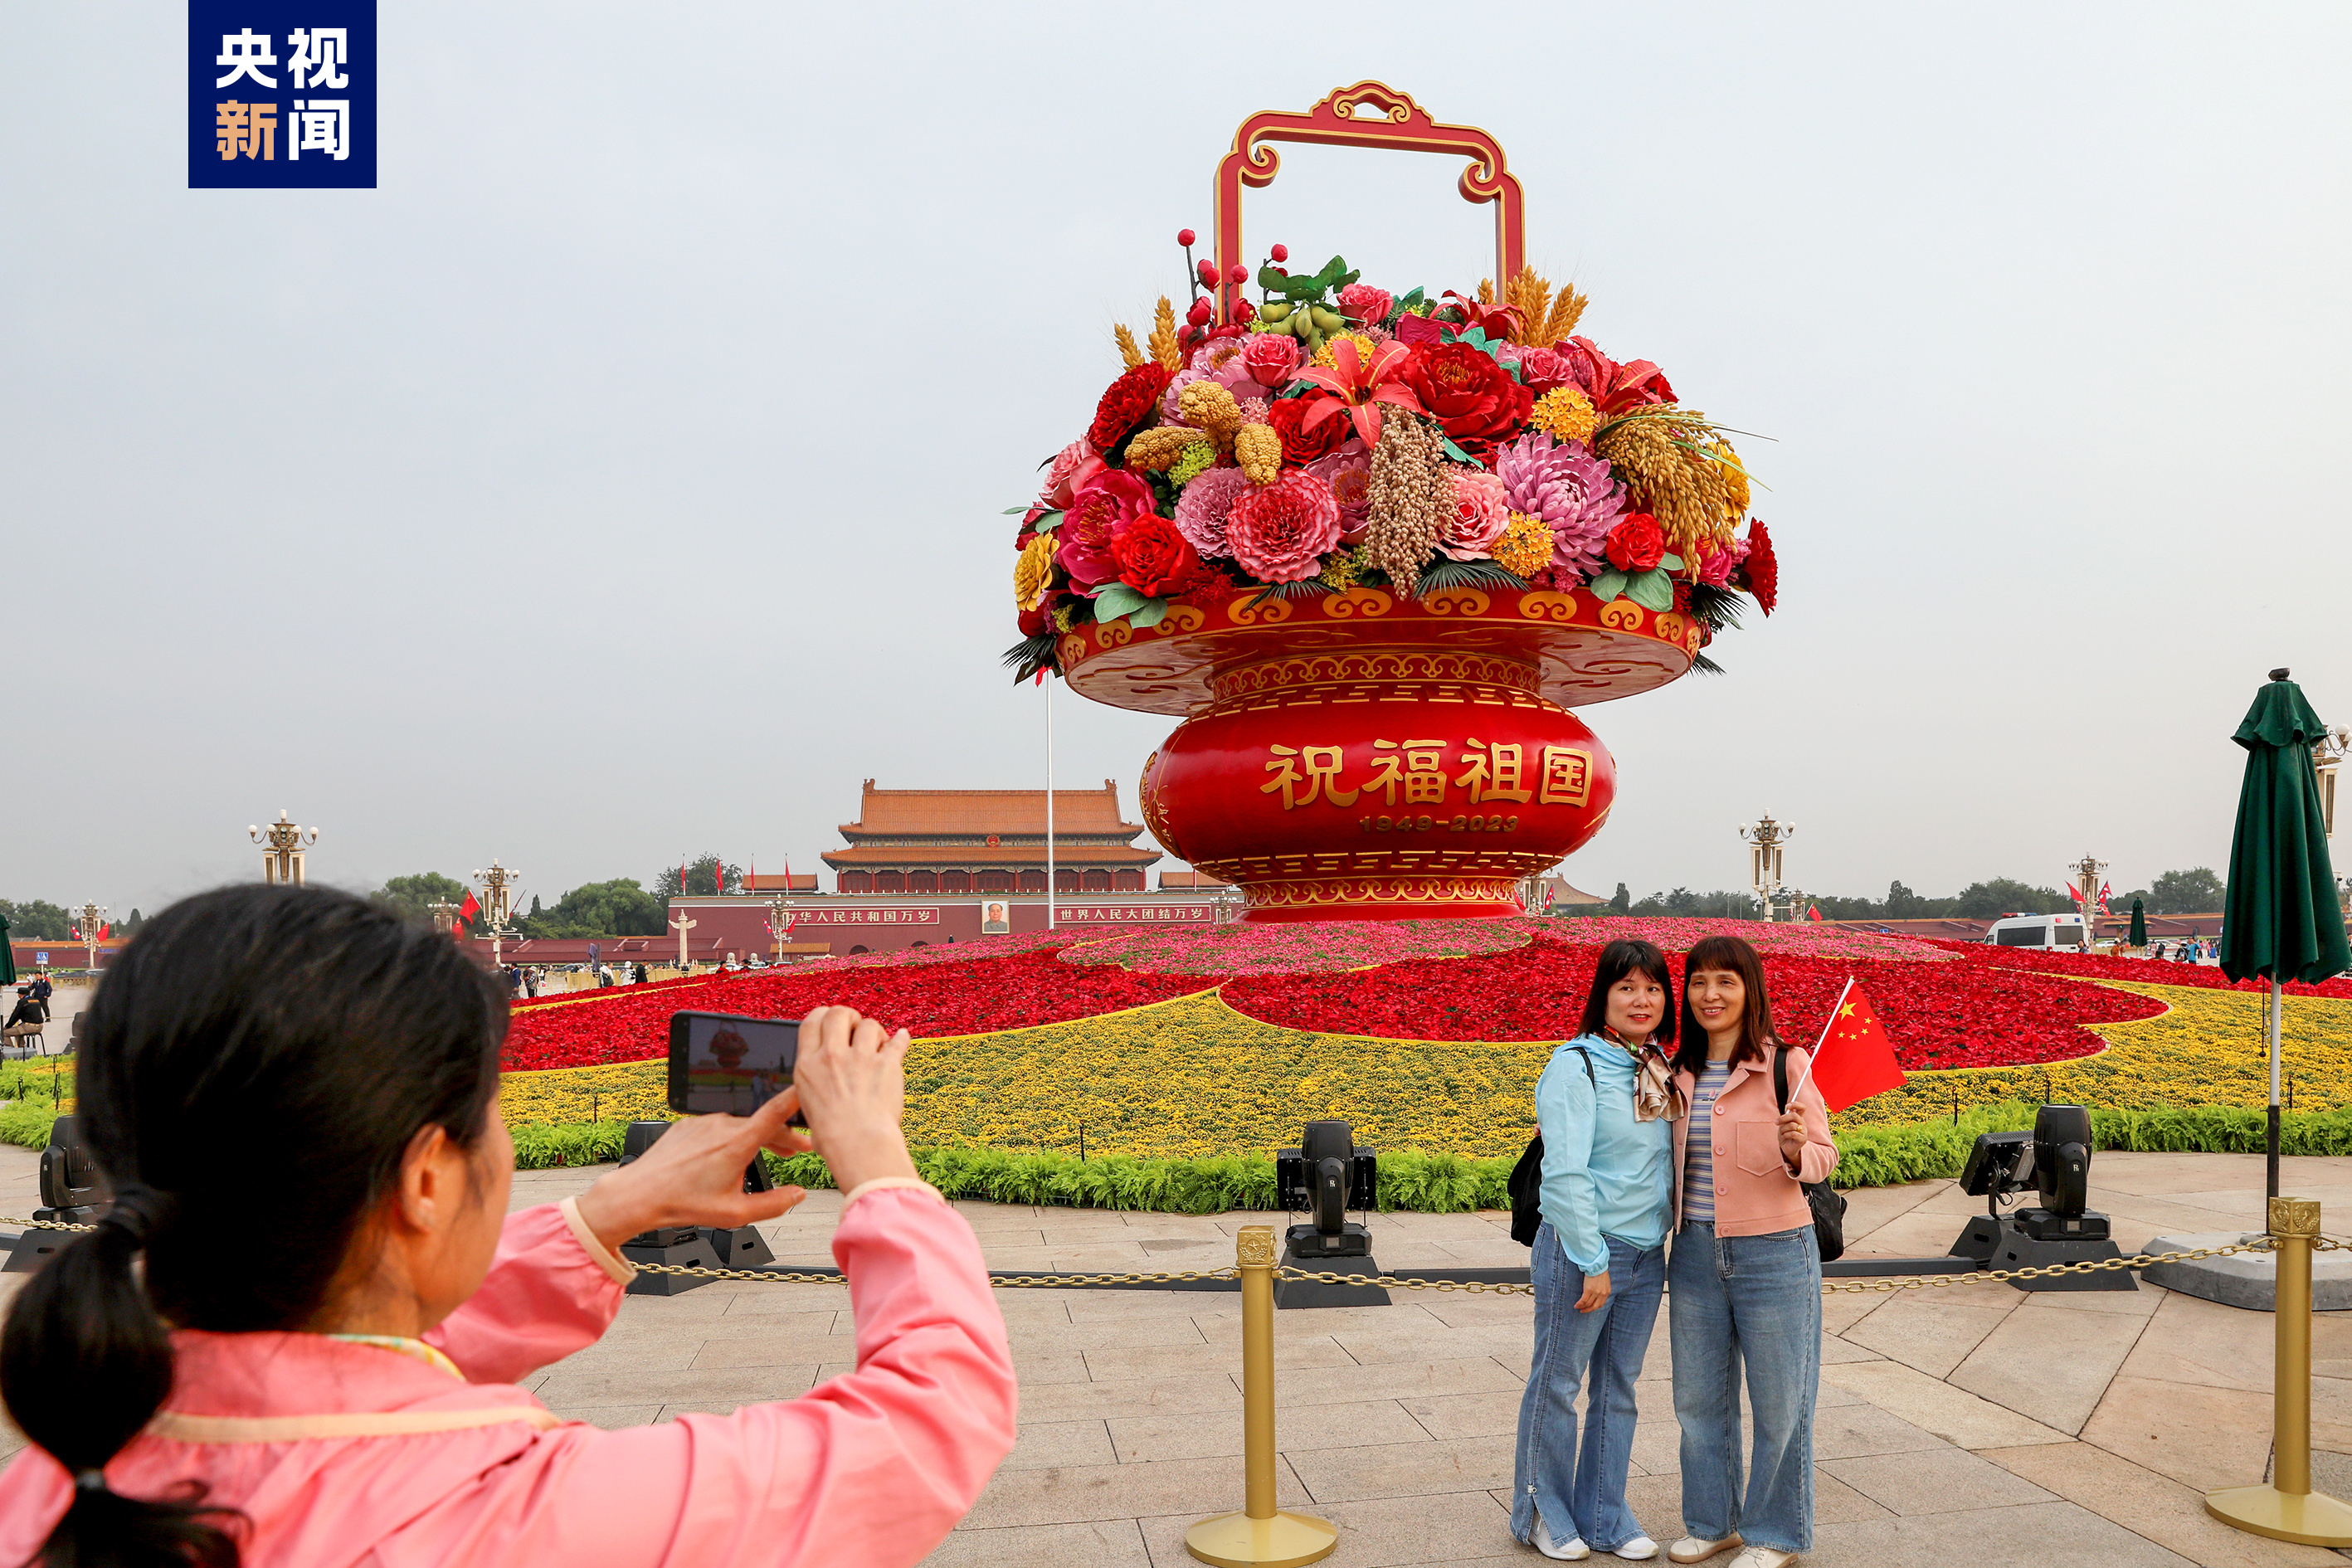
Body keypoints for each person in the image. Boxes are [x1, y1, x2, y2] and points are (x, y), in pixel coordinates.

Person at [0, 884, 1017, 1568]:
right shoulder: (519, 1512)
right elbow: (929, 1423)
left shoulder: (66, 1469)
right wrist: (877, 1162)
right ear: (426, 1178)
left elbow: (338, 1349)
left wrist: (612, 1212)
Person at [1664, 935, 1838, 1568]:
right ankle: (1713, 1524)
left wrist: (1796, 1149)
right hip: (1692, 1252)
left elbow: (1824, 1157)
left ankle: (1775, 1536)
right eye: (1698, 982)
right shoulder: (1674, 1071)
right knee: (1697, 1401)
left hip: (1774, 1254)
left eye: (1725, 982)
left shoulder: (1786, 1065)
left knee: (1780, 1403)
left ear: (1749, 990)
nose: (1710, 995)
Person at [1514, 938, 1684, 1561]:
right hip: (1584, 1250)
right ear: (1602, 996)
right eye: (1626, 988)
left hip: (1645, 1250)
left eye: (1653, 988)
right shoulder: (1575, 1066)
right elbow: (1563, 1173)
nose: (1642, 1000)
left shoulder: (1655, 1064)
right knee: (1558, 1383)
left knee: (1619, 1389)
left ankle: (1606, 1516)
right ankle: (1543, 1513)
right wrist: (1592, 1261)